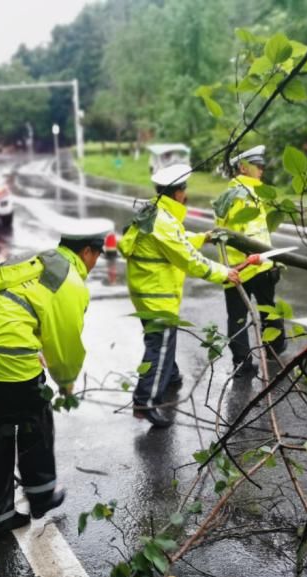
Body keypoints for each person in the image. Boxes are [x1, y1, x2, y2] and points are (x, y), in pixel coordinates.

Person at [0, 220, 108, 540]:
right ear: (87, 251)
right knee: (35, 419)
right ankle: (42, 494)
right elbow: (64, 342)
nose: (96, 263)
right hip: (7, 360)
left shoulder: (34, 262)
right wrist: (66, 380)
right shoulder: (69, 280)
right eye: (97, 255)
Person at [118, 163, 239, 428]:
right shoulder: (163, 221)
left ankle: (170, 376)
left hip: (145, 291)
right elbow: (187, 258)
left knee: (161, 343)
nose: (186, 195)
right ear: (177, 192)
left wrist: (203, 237)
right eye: (184, 190)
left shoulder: (154, 211)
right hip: (156, 294)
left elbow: (179, 240)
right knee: (159, 345)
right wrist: (224, 273)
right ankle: (145, 402)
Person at [212, 145, 287, 380]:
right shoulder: (245, 196)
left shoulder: (229, 196)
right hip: (251, 266)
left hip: (240, 268)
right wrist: (263, 259)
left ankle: (243, 362)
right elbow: (245, 235)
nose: (262, 170)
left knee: (239, 317)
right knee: (262, 311)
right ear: (243, 167)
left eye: (263, 165)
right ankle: (272, 350)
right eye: (258, 166)